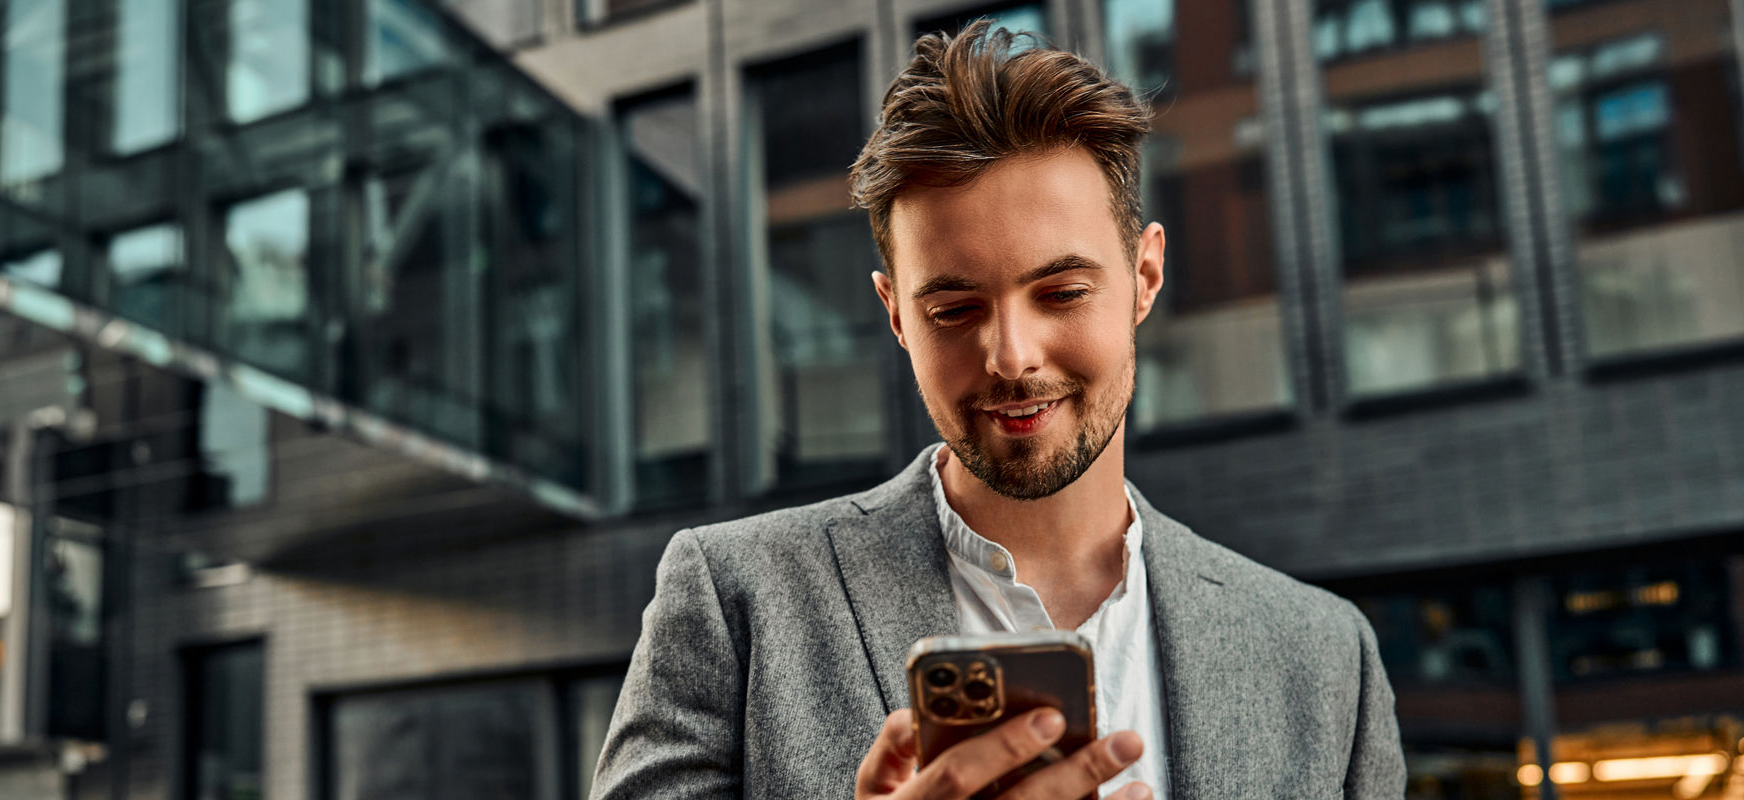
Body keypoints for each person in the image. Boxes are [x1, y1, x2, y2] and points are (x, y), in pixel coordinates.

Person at [591, 21, 1404, 800]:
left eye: (1061, 293)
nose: (1011, 356)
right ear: (896, 315)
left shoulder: (1326, 657)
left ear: (1146, 276)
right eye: (953, 309)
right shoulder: (734, 601)